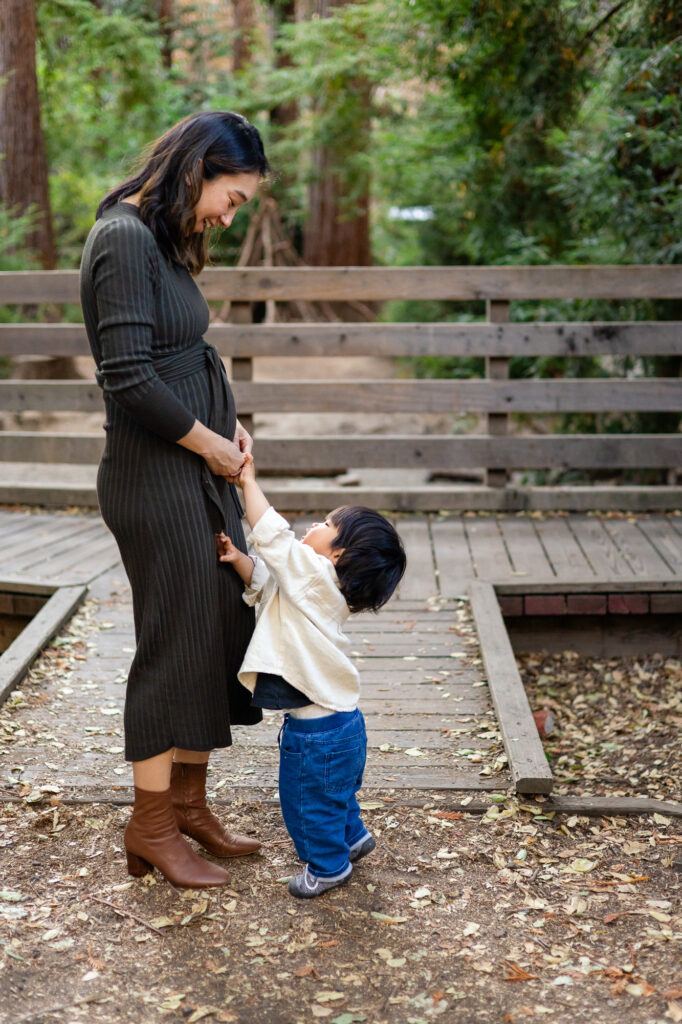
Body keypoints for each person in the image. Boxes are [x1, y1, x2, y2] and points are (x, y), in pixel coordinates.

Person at [79, 112, 269, 888]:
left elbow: (179, 352)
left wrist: (232, 420)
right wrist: (212, 441)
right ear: (199, 168)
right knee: (173, 641)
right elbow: (126, 375)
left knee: (220, 621)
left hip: (196, 466)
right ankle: (150, 824)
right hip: (153, 478)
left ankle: (188, 804)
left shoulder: (158, 238)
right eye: (233, 196)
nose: (231, 214)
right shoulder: (121, 240)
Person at [218, 453, 406, 898]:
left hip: (318, 734)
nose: (311, 526)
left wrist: (248, 483)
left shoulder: (318, 576)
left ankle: (328, 867)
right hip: (342, 725)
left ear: (337, 554)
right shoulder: (315, 589)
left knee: (307, 803)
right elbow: (269, 582)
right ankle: (354, 838)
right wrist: (239, 560)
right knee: (335, 793)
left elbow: (276, 540)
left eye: (324, 523)